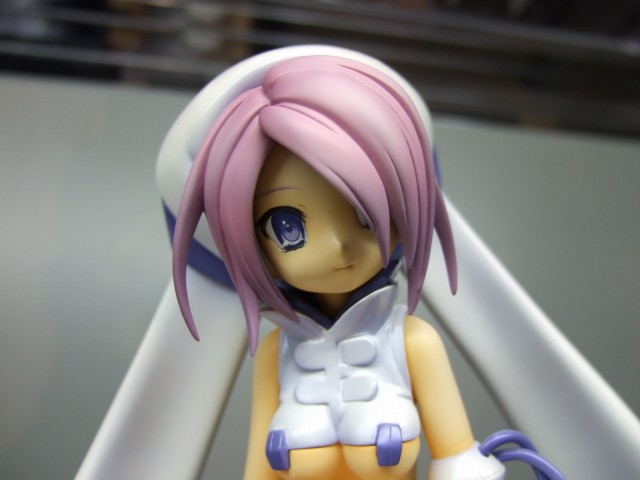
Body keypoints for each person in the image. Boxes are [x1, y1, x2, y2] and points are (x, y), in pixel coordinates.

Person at [172, 53, 504, 480]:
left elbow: (456, 458)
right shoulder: (277, 353)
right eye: (287, 227)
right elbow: (258, 468)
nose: (337, 245)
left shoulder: (413, 343)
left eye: (366, 214)